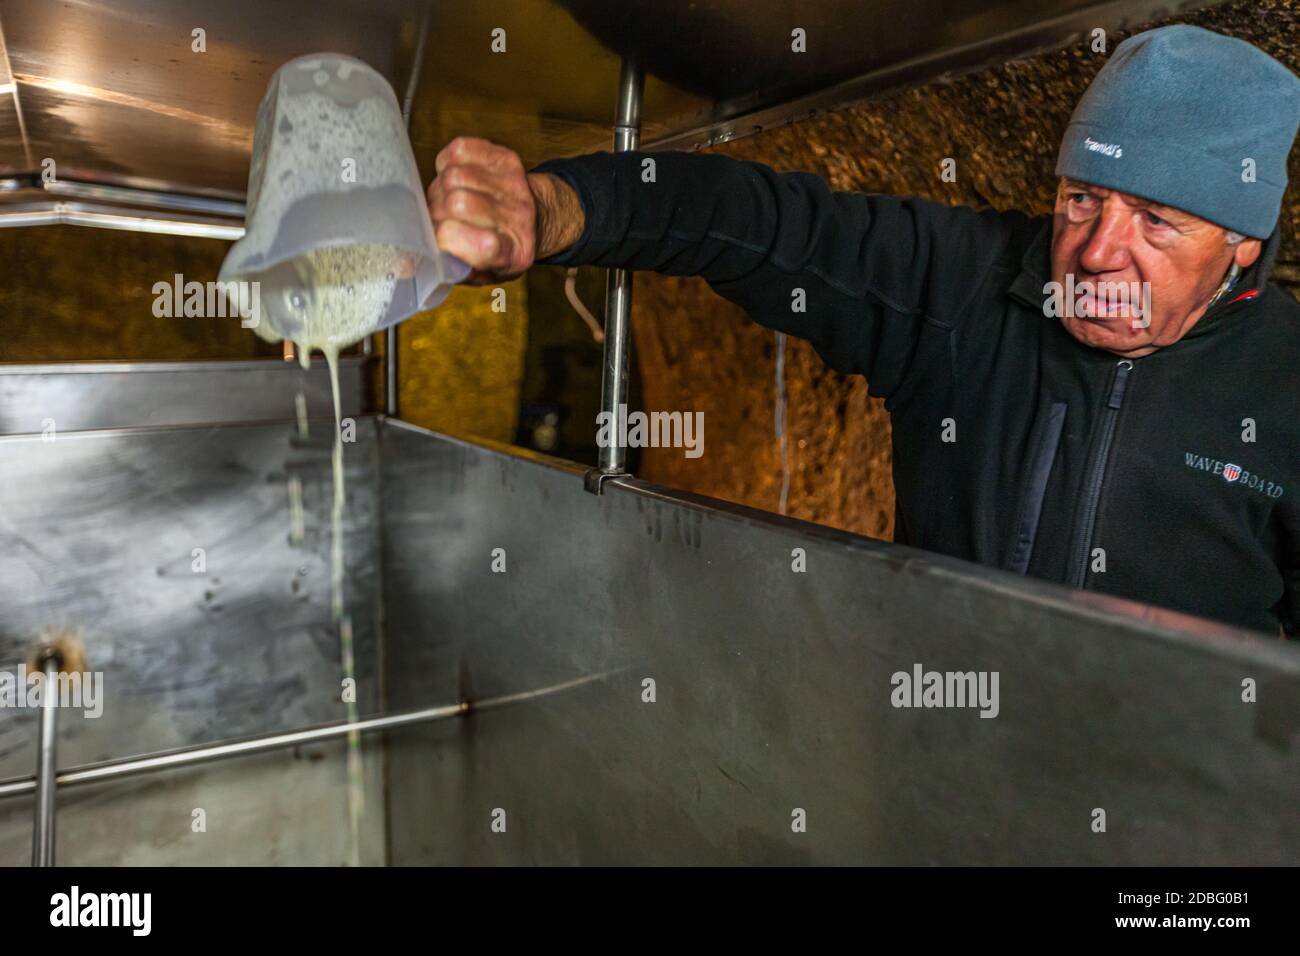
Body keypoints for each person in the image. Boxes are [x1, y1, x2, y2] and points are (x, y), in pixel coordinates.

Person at [426, 25, 1300, 637]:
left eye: (1155, 220)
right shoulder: (969, 286)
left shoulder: (1283, 382)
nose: (1098, 251)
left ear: (1241, 245)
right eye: (1081, 199)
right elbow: (753, 220)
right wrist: (556, 208)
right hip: (944, 781)